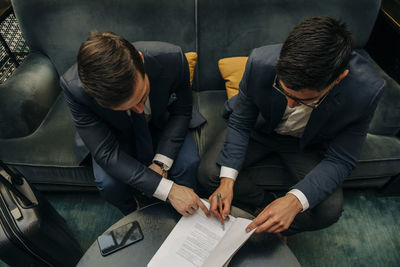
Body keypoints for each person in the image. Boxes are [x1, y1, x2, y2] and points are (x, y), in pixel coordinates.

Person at [198, 17, 385, 235]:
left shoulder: (367, 91)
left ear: (339, 78)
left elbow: (341, 159)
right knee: (208, 174)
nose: (291, 105)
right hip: (260, 130)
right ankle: (265, 204)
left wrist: (294, 201)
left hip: (309, 144)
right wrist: (227, 183)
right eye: (283, 91)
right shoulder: (260, 61)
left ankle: (278, 226)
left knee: (329, 211)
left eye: (306, 100)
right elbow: (240, 121)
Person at [61, 32, 209, 217]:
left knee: (188, 164)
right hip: (114, 134)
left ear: (141, 61)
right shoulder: (74, 88)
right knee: (108, 184)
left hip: (161, 121)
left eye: (141, 97)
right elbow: (107, 154)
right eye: (126, 107)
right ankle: (134, 213)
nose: (139, 110)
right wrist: (167, 189)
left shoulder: (172, 58)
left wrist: (160, 163)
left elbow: (182, 110)